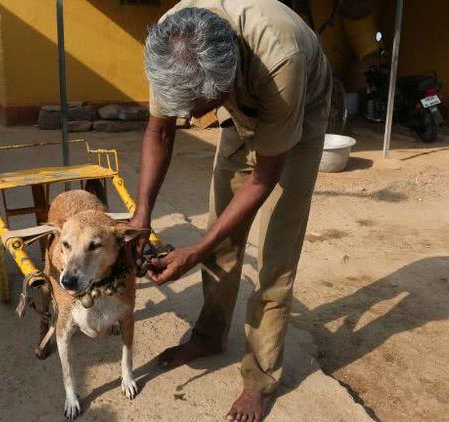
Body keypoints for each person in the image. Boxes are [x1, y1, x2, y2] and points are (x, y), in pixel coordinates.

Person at [129, 1, 332, 420]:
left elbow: (265, 176)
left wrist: (195, 250)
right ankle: (208, 335)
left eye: (196, 108)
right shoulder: (171, 41)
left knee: (276, 258)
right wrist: (141, 217)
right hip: (239, 89)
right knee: (220, 234)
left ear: (224, 87)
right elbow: (159, 129)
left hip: (300, 107)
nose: (189, 117)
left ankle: (260, 377)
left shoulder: (281, 58)